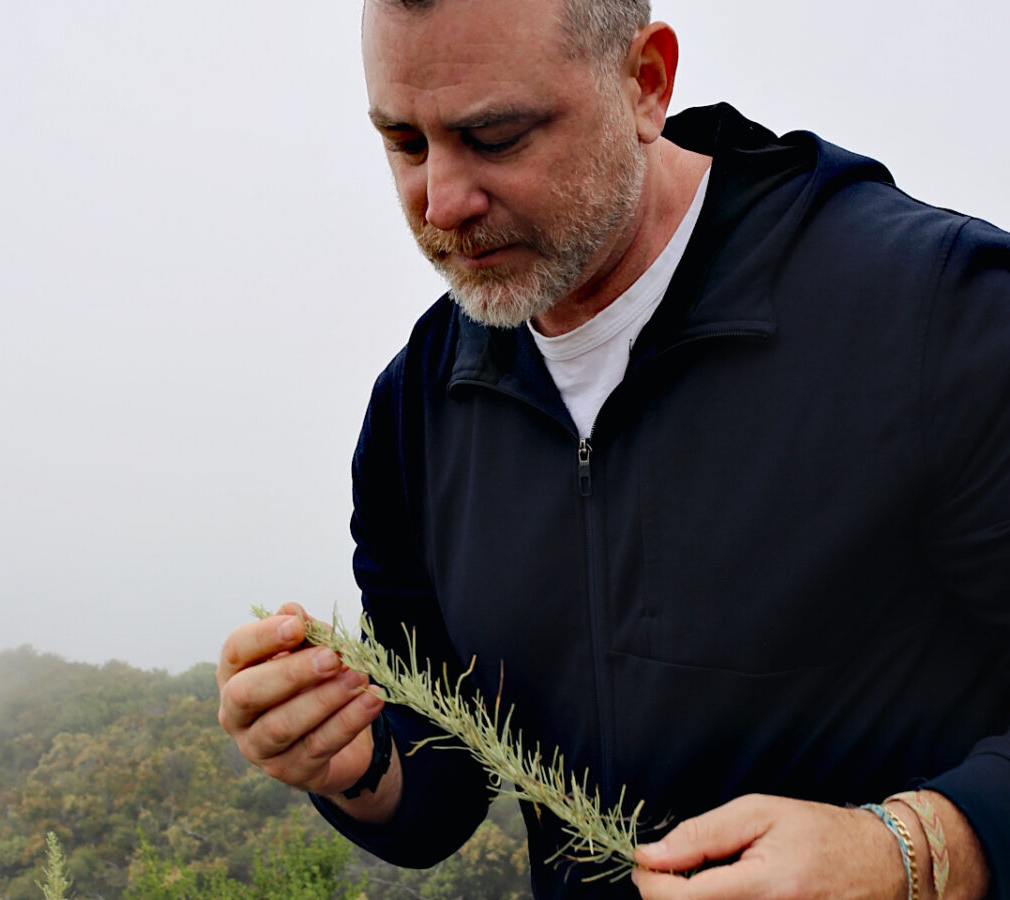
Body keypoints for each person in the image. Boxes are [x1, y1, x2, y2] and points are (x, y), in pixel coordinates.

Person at [216, 0, 1010, 897]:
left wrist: (917, 853)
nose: (442, 202)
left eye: (496, 135)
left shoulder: (942, 313)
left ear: (645, 84)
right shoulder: (417, 409)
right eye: (404, 143)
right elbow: (443, 785)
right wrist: (350, 761)